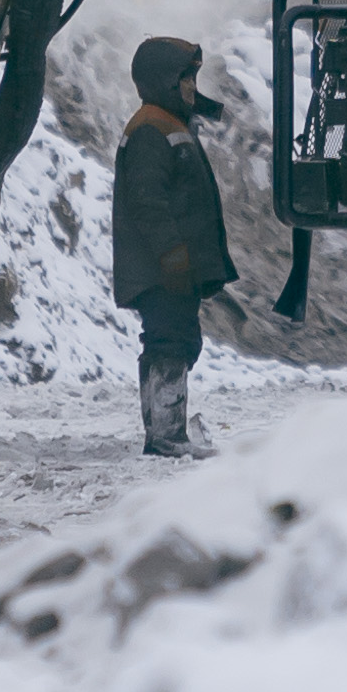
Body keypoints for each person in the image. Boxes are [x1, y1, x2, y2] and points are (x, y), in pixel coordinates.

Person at [112, 34, 236, 459]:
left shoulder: (169, 122)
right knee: (171, 340)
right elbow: (147, 203)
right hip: (160, 268)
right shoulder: (152, 128)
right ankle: (167, 434)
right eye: (187, 78)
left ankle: (163, 430)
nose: (192, 87)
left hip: (167, 266)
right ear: (165, 81)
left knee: (171, 338)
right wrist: (173, 255)